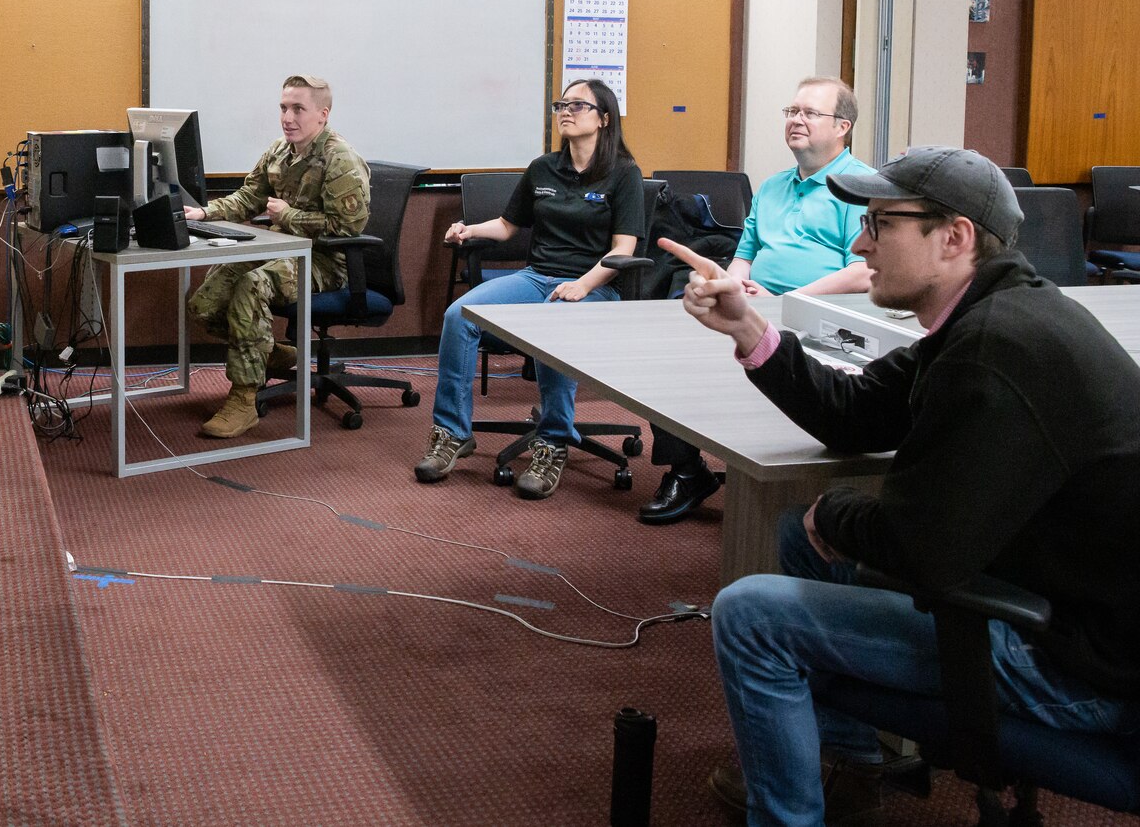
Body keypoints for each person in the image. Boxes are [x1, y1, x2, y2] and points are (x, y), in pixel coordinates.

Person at [664, 147, 1140, 827]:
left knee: (750, 614)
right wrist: (748, 326)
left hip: (1078, 666)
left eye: (881, 224)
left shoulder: (995, 349)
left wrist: (835, 513)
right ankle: (855, 764)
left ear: (954, 238)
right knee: (796, 539)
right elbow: (854, 412)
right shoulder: (990, 315)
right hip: (1059, 601)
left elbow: (926, 550)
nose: (860, 243)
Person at [640, 77, 873, 525]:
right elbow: (745, 254)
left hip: (822, 318)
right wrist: (734, 286)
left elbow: (862, 270)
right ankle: (687, 471)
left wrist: (784, 300)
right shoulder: (773, 186)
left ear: (842, 126)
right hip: (759, 306)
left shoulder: (860, 185)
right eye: (792, 112)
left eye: (809, 113)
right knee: (671, 351)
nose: (796, 121)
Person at [416, 79, 643, 498]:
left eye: (578, 105)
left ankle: (554, 442)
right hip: (536, 277)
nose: (566, 111)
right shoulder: (543, 168)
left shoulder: (624, 173)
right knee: (458, 317)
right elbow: (506, 227)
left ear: (604, 118)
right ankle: (452, 433)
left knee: (554, 324)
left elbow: (624, 248)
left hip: (594, 286)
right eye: (562, 104)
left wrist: (582, 285)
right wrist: (467, 230)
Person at [182, 75, 369, 439]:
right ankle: (270, 351)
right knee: (206, 302)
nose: (288, 117)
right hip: (280, 250)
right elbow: (248, 198)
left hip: (325, 261)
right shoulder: (279, 152)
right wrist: (205, 213)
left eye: (299, 109)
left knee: (252, 287)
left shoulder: (339, 158)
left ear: (322, 115)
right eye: (284, 107)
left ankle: (243, 400)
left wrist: (290, 216)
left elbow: (348, 229)